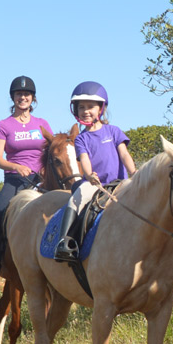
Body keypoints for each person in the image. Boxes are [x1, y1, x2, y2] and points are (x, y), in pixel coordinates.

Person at [0, 76, 53, 286]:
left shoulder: (42, 124)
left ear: (33, 98)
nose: (23, 97)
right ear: (13, 97)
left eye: (27, 94)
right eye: (19, 94)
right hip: (15, 180)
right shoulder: (4, 125)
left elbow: (53, 150)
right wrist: (16, 166)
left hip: (41, 179)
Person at [54, 81, 136, 262]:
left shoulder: (113, 131)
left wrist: (134, 173)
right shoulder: (81, 138)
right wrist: (89, 175)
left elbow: (124, 154)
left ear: (101, 109)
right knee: (79, 194)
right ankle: (66, 241)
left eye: (91, 106)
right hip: (95, 185)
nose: (86, 110)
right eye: (81, 107)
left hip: (119, 183)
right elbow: (84, 159)